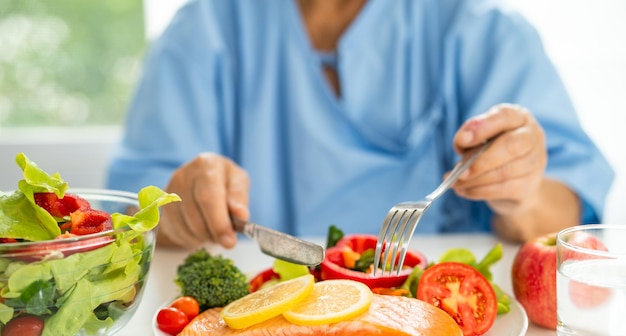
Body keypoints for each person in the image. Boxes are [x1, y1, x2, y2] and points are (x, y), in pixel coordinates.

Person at [106, 0, 614, 250]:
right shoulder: (206, 28)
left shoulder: (480, 26)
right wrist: (178, 208)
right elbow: (131, 221)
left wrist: (521, 192)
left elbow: (569, 218)